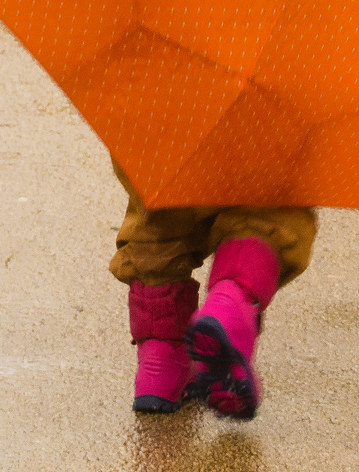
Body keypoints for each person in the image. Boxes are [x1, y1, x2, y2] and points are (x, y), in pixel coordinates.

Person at [114, 161, 313, 418]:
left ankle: (161, 361)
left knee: (163, 195)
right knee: (269, 197)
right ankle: (230, 304)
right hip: (259, 129)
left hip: (161, 124)